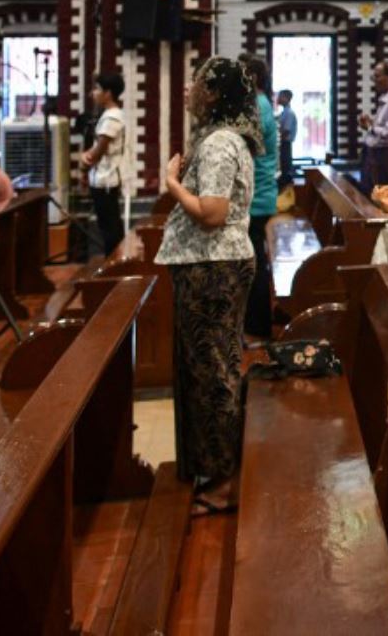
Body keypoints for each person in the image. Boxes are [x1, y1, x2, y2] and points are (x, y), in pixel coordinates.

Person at [157, 57, 259, 515]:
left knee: (214, 371)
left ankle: (225, 482)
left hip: (214, 266)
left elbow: (213, 212)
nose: (190, 90)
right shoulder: (224, 138)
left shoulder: (219, 143)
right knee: (208, 367)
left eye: (197, 82)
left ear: (215, 94)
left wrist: (171, 183)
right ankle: (213, 467)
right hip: (211, 264)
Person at [238, 55, 280, 342]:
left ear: (251, 78)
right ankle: (255, 321)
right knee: (254, 262)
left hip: (258, 197)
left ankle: (258, 325)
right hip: (260, 195)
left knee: (254, 265)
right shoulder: (259, 104)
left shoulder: (257, 106)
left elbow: (244, 150)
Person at [80, 72, 128, 259]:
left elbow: (97, 152)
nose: (93, 93)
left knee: (110, 229)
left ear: (108, 93)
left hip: (105, 180)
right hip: (104, 179)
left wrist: (84, 161)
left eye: (97, 89)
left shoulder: (111, 118)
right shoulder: (110, 115)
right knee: (110, 226)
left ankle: (113, 265)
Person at [358, 61, 388, 188]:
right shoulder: (386, 98)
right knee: (368, 197)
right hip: (375, 156)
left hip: (384, 158)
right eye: (373, 77)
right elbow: (382, 127)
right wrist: (370, 123)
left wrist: (370, 127)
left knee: (381, 199)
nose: (374, 80)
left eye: (377, 76)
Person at [274, 88, 296, 188]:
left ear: (287, 98)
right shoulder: (284, 112)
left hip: (285, 144)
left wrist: (277, 142)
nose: (278, 98)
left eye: (280, 96)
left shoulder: (289, 113)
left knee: (285, 167)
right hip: (284, 143)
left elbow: (286, 131)